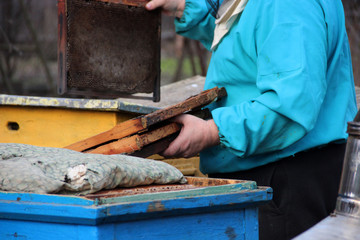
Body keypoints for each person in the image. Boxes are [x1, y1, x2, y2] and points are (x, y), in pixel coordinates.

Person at [146, 0, 358, 239]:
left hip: (285, 180)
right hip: (279, 173)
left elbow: (289, 107)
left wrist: (210, 132)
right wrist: (185, 7)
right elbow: (249, 40)